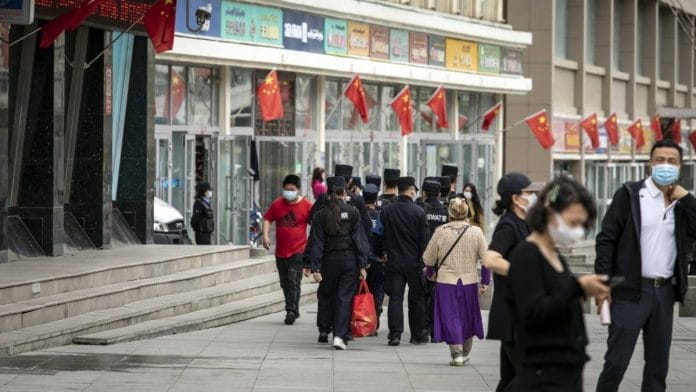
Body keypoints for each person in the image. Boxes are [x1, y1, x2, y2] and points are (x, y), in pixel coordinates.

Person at [594, 139, 696, 392]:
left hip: (664, 293)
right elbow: (606, 239)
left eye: (671, 161)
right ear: (650, 163)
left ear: (680, 166)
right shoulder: (629, 194)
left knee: (657, 367)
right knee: (616, 362)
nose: (665, 165)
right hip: (629, 291)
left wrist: (688, 198)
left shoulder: (681, 205)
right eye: (660, 159)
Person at [506, 176, 610, 391]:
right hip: (543, 374)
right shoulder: (527, 255)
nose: (578, 231)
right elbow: (534, 312)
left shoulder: (554, 254)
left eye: (583, 225)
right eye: (573, 223)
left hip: (566, 370)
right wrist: (578, 288)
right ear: (550, 214)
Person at [482, 172, 543, 392]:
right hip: (511, 317)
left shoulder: (524, 223)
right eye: (530, 192)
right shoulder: (508, 225)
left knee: (511, 378)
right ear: (517, 198)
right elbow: (490, 258)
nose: (534, 196)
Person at [423, 198, 489, 366]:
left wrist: (430, 273)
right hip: (469, 280)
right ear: (467, 213)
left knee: (450, 316)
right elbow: (486, 259)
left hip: (446, 281)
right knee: (468, 315)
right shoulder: (476, 232)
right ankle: (465, 352)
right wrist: (485, 281)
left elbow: (429, 258)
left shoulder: (441, 231)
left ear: (449, 213)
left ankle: (457, 353)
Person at [307, 176, 369, 350]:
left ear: (327, 193)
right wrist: (363, 265)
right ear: (344, 193)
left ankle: (325, 329)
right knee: (344, 298)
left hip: (328, 262)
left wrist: (315, 268)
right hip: (349, 262)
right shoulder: (353, 212)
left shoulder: (320, 215)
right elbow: (359, 240)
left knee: (327, 296)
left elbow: (316, 243)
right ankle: (339, 335)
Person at [373, 176, 430, 346]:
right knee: (417, 298)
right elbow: (425, 240)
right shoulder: (419, 212)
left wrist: (380, 253)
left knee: (395, 298)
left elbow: (377, 234)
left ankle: (395, 335)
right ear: (411, 190)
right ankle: (417, 334)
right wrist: (425, 261)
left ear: (398, 190)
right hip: (414, 262)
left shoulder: (386, 211)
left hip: (394, 261)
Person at [262, 174, 313, 325]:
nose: (288, 192)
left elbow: (315, 225)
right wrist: (265, 236)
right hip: (281, 252)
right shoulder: (277, 204)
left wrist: (311, 249)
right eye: (286, 189)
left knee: (293, 280)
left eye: (291, 189)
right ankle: (291, 308)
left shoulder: (307, 206)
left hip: (299, 251)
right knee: (285, 283)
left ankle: (291, 310)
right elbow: (267, 219)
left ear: (297, 190)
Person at [421, 180, 449, 338]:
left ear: (424, 193)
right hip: (441, 257)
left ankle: (423, 325)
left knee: (421, 293)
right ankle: (434, 325)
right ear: (439, 194)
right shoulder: (445, 213)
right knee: (435, 293)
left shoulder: (421, 210)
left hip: (423, 256)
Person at [363, 183, 385, 335]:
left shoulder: (358, 214)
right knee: (377, 291)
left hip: (362, 260)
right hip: (378, 260)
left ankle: (362, 319)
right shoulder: (380, 215)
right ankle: (374, 320)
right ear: (376, 198)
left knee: (362, 291)